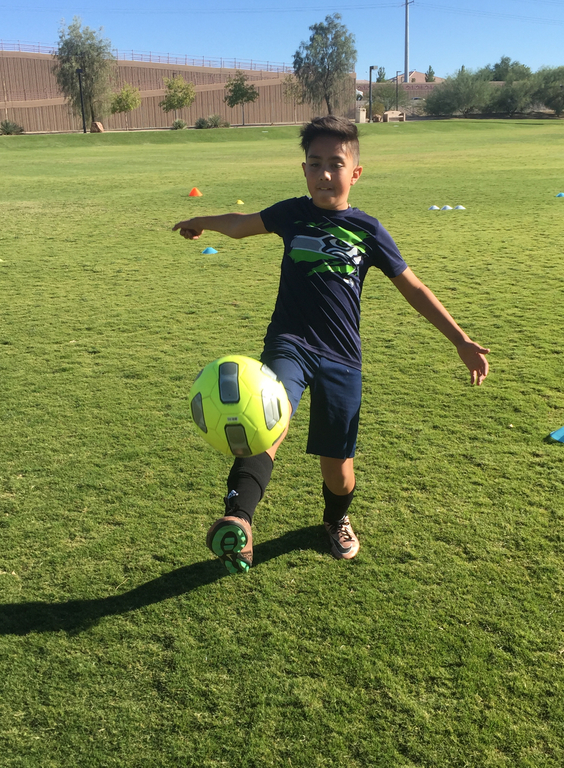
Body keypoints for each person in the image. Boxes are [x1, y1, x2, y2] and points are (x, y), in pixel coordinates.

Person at [173, 115, 490, 575]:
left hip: (342, 357)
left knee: (338, 471)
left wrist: (460, 339)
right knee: (266, 422)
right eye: (315, 163)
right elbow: (241, 224)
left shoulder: (368, 229)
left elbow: (414, 287)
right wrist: (200, 220)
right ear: (304, 170)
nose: (324, 173)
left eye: (335, 164)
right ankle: (238, 521)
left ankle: (335, 519)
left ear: (354, 173)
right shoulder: (292, 213)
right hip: (290, 343)